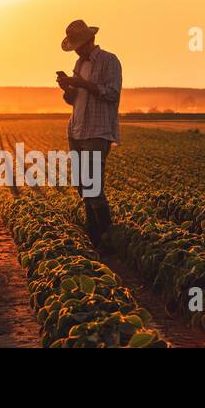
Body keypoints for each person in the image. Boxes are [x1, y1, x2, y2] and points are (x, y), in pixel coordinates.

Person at [56, 19, 121, 245]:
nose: (77, 49)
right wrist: (68, 89)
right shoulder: (79, 64)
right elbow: (73, 100)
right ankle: (94, 233)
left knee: (93, 186)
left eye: (79, 44)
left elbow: (112, 94)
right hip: (77, 129)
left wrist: (82, 84)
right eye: (74, 46)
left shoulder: (109, 61)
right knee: (83, 185)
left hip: (97, 130)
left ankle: (106, 235)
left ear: (90, 40)